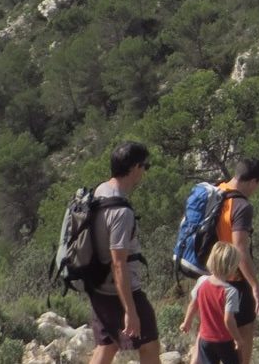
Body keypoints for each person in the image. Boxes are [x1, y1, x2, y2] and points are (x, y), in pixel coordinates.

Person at [89, 142, 160, 364]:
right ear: (134, 168)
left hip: (98, 285)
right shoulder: (121, 211)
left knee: (106, 345)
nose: (145, 172)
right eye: (144, 166)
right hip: (121, 290)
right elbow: (118, 263)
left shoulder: (100, 192)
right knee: (150, 345)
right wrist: (130, 310)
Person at [218, 158, 259, 364]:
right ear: (252, 181)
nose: (257, 189)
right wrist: (255, 286)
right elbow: (240, 249)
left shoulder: (216, 190)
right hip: (234, 279)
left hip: (211, 275)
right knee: (245, 331)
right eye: (258, 184)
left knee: (210, 332)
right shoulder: (241, 205)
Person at [179, 242, 246, 364]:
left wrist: (186, 322)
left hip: (205, 339)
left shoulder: (202, 281)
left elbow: (193, 304)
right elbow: (228, 320)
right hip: (225, 341)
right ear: (231, 267)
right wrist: (237, 339)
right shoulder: (230, 291)